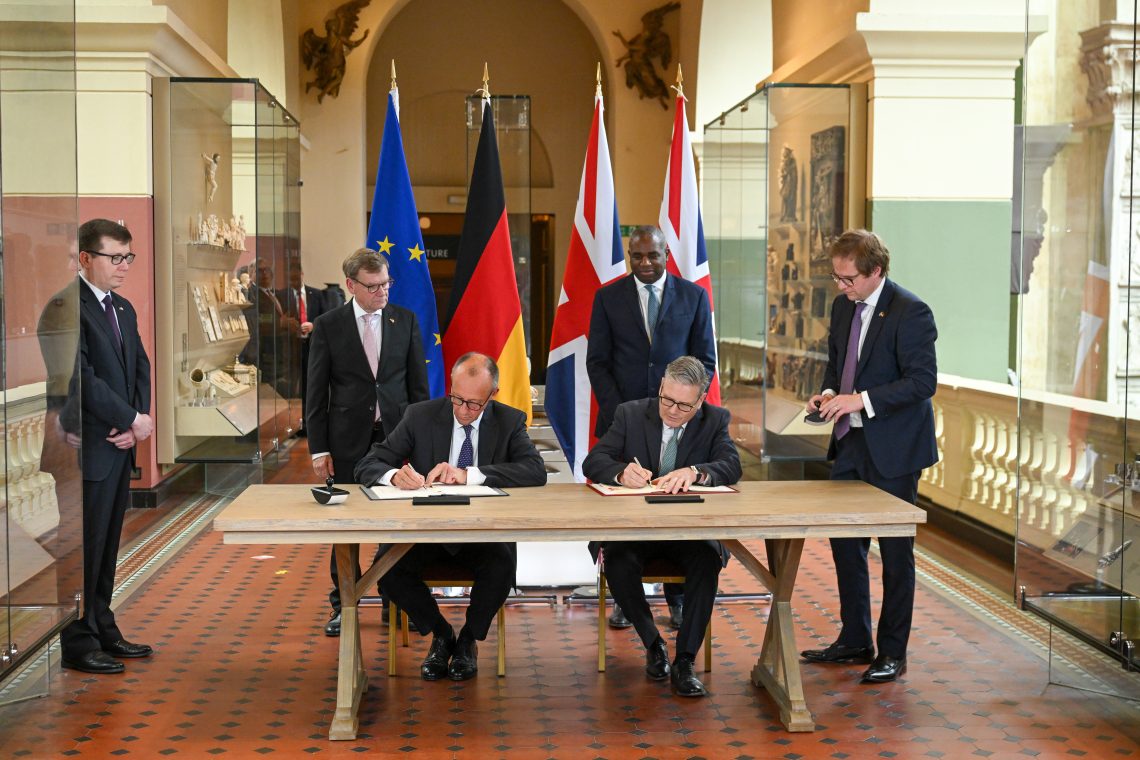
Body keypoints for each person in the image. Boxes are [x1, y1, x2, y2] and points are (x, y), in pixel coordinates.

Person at [354, 353, 547, 682]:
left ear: (493, 395)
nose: (462, 410)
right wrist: (391, 476)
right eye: (456, 399)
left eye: (473, 403)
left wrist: (469, 475)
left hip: (482, 535)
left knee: (502, 566)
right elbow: (368, 464)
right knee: (387, 570)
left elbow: (535, 471)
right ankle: (442, 634)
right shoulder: (420, 416)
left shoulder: (509, 420)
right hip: (425, 534)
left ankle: (469, 640)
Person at [800, 229, 938, 684]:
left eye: (848, 279)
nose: (841, 287)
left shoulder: (910, 311)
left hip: (895, 449)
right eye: (836, 278)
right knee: (845, 545)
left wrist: (860, 400)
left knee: (896, 555)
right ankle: (855, 639)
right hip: (850, 444)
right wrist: (825, 394)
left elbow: (922, 383)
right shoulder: (843, 307)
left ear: (876, 270)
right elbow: (836, 362)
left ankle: (892, 652)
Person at [582, 356, 741, 697]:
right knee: (618, 560)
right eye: (667, 400)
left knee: (707, 561)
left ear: (700, 401)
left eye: (684, 406)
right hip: (634, 531)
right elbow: (594, 461)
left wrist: (696, 472)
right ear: (660, 389)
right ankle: (653, 643)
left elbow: (731, 465)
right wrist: (621, 472)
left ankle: (685, 660)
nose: (672, 411)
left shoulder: (715, 419)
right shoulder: (630, 413)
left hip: (687, 532)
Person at [586, 224, 716, 631]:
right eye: (637, 256)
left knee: (677, 512)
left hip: (680, 423)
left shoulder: (693, 296)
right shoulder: (607, 297)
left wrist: (687, 409)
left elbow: (705, 361)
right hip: (624, 424)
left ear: (666, 256)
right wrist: (623, 411)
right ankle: (629, 598)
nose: (644, 263)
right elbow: (598, 362)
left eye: (652, 256)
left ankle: (677, 598)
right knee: (624, 517)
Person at [307, 248, 429, 636]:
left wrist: (425, 440)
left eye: (386, 284)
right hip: (346, 439)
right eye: (373, 286)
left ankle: (396, 598)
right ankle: (344, 602)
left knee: (398, 522)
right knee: (345, 525)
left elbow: (418, 389)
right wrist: (318, 448)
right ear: (351, 285)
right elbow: (316, 392)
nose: (382, 292)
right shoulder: (329, 325)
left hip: (397, 437)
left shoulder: (405, 320)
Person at [58, 218, 155, 674]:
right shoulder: (65, 308)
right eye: (114, 258)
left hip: (118, 445)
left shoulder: (122, 307)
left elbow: (140, 365)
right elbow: (81, 381)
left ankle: (103, 624)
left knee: (109, 543)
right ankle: (79, 641)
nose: (123, 267)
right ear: (84, 259)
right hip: (85, 448)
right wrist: (129, 418)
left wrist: (137, 422)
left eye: (127, 258)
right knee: (84, 546)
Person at [278, 266, 327, 434]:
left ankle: (307, 423)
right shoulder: (281, 295)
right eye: (290, 277)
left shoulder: (316, 294)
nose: (294, 280)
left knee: (309, 384)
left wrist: (313, 325)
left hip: (311, 346)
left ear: (302, 274)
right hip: (290, 347)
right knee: (291, 385)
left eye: (296, 276)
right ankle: (290, 423)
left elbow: (324, 318)